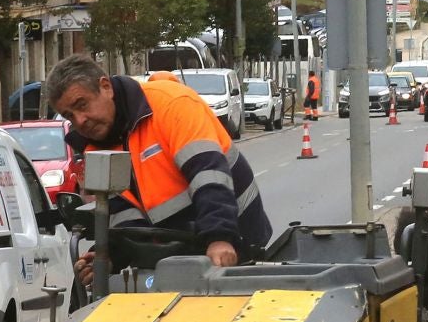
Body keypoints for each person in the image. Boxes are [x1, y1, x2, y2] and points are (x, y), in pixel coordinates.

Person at [46, 55, 273, 282]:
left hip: (235, 242)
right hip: (177, 258)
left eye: (82, 105)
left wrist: (220, 237)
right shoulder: (95, 149)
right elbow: (124, 213)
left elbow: (208, 174)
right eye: (69, 116)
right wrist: (113, 257)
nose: (80, 120)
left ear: (105, 87)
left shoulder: (173, 104)